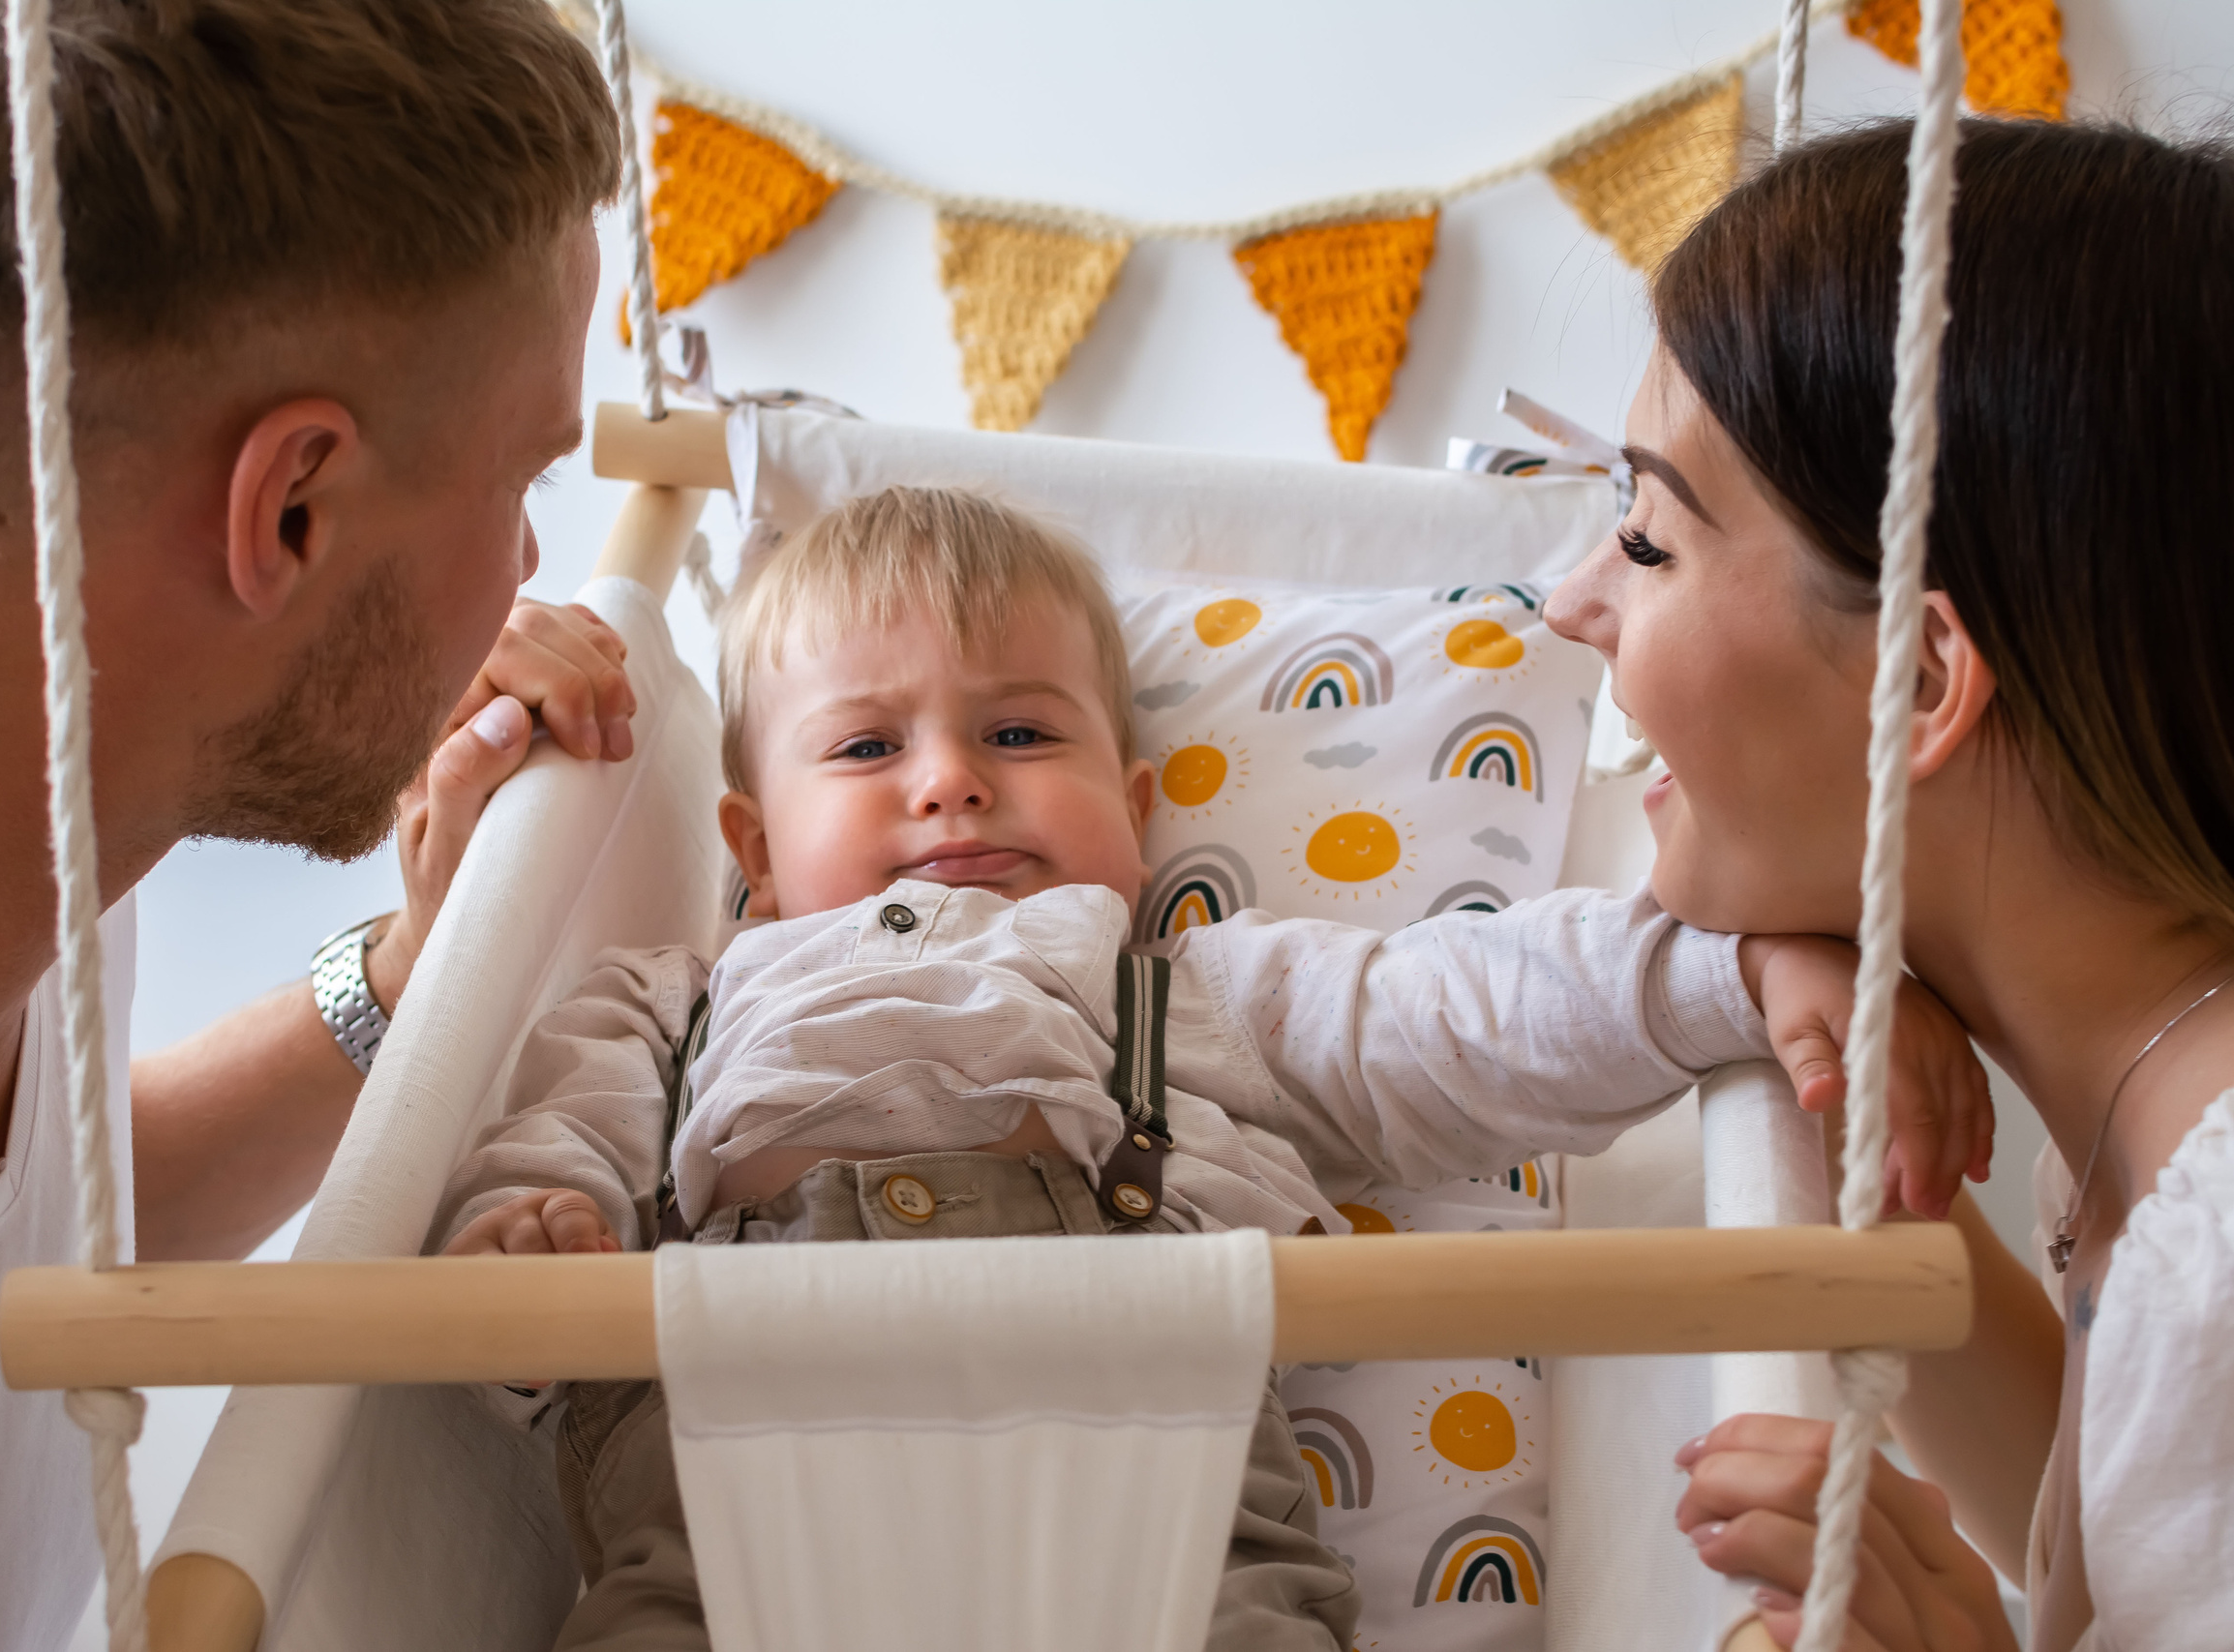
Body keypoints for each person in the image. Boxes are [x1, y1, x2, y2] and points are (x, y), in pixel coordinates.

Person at [435, 486, 1997, 1652]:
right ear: (756, 852)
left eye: (1020, 735)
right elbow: (550, 1156)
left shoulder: (1195, 999)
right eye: (866, 749)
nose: (951, 780)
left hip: (1170, 1539)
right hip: (731, 1533)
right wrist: (527, 1234)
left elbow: (1471, 1008)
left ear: (1133, 810)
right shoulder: (677, 1005)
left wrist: (1738, 969)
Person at [0, 4, 638, 1648]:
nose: (527, 567)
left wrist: (407, 977)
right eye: (520, 480)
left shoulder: (29, 737)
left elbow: (27, 1232)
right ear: (288, 506)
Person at [1542, 119, 2234, 1652]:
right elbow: (2124, 1512)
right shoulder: (2149, 1120)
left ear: (1919, 680)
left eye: (1645, 540)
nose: (1568, 601)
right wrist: (1845, 1111)